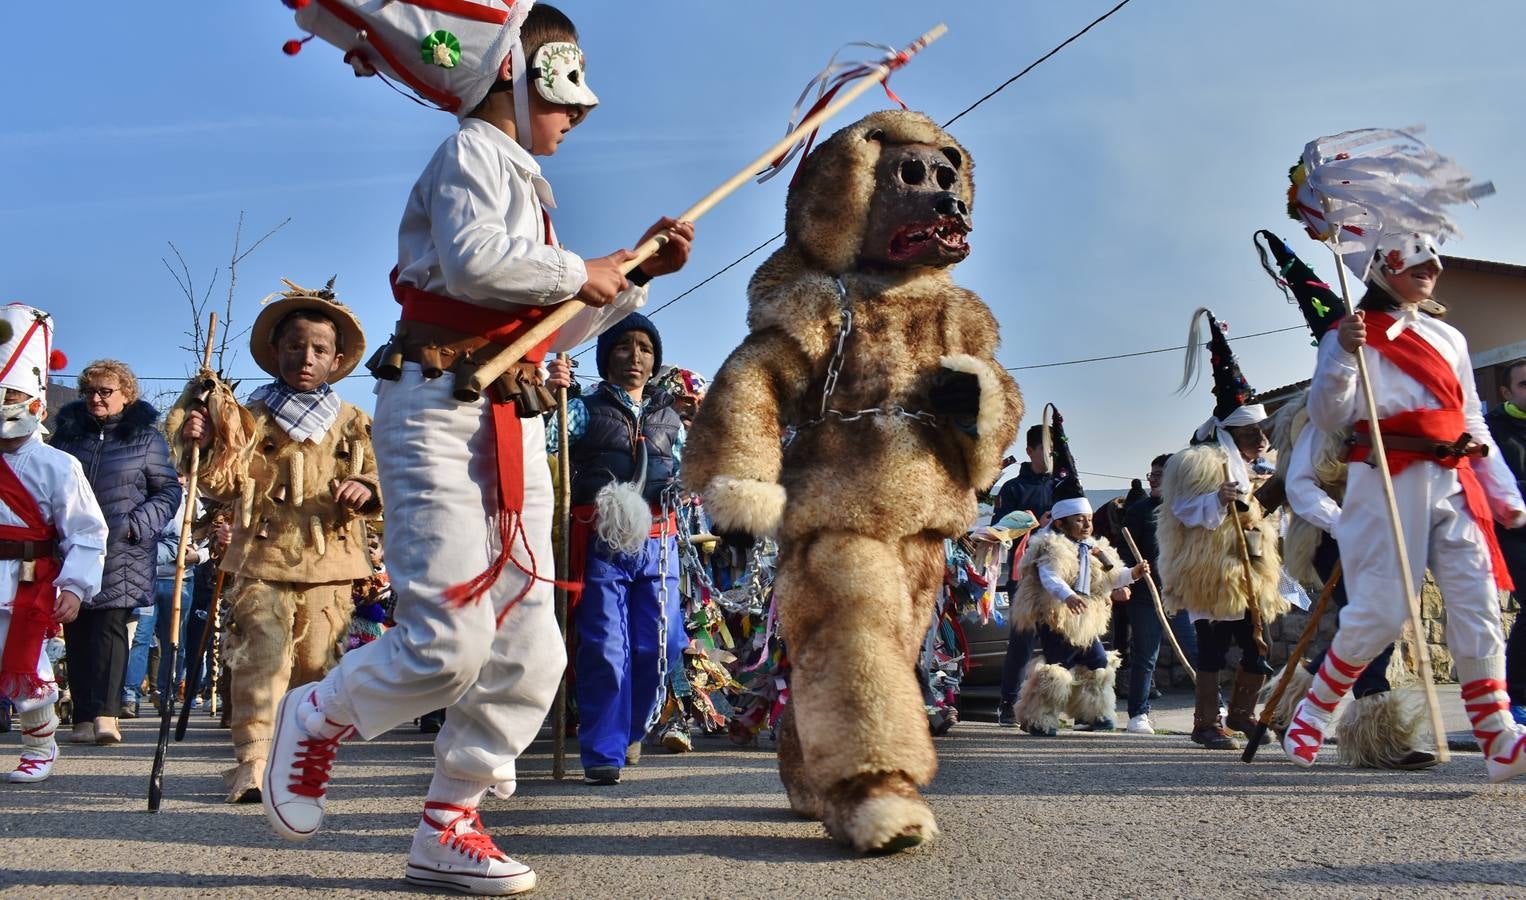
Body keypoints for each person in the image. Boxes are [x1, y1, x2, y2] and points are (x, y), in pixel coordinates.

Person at [260, 3, 695, 893]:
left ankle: (449, 819)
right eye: (567, 91)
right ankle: (317, 714)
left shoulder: (524, 182)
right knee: (447, 642)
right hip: (436, 413)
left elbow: (547, 332)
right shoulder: (471, 155)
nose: (581, 113)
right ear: (515, 74)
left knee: (534, 644)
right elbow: (469, 264)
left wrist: (632, 277)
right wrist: (584, 269)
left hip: (513, 419)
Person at [1288, 233, 1526, 782]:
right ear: (1379, 264)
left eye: (1436, 255)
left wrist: (1503, 491)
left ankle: (1497, 737)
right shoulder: (1350, 335)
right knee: (1382, 613)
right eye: (1417, 254)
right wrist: (1345, 356)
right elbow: (1328, 417)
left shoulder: (1450, 337)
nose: (1433, 265)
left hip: (1454, 478)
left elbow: (1471, 420)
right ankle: (1315, 710)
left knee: (1477, 600)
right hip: (1386, 481)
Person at [180, 280, 381, 804]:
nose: (306, 358)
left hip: (330, 563)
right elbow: (221, 483)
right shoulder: (248, 418)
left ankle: (297, 759)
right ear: (275, 352)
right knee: (261, 659)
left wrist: (367, 488)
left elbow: (386, 475)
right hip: (262, 557)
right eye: (294, 346)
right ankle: (252, 760)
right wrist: (200, 438)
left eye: (319, 349)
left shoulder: (355, 423)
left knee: (317, 664)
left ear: (337, 359)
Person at [547, 314, 688, 784]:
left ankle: (631, 730)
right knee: (606, 647)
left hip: (661, 543)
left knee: (661, 644)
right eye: (624, 346)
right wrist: (554, 395)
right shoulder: (582, 406)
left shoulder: (671, 418)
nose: (635, 356)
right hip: (602, 542)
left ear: (655, 359)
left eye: (645, 347)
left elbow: (689, 474)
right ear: (607, 356)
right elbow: (546, 439)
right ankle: (603, 750)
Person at [1158, 308, 1288, 751]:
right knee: (1213, 649)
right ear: (1234, 431)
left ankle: (1242, 715)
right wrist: (1218, 499)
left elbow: (1261, 515)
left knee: (1259, 643)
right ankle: (1205, 723)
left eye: (1262, 432)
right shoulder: (1201, 463)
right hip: (1211, 573)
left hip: (1248, 571)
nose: (1262, 441)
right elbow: (1181, 509)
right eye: (1255, 433)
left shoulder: (1255, 470)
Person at [0, 304, 107, 783]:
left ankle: (40, 747)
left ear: (36, 401)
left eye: (12, 393)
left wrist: (75, 586)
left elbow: (86, 530)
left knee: (28, 667)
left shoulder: (58, 465)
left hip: (24, 581)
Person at [51, 359, 181, 746]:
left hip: (122, 551)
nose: (96, 398)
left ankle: (106, 714)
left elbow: (168, 490)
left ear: (127, 395)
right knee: (76, 631)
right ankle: (84, 716)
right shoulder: (67, 437)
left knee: (109, 631)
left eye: (105, 391)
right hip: (73, 548)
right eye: (90, 391)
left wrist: (138, 524)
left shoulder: (145, 439)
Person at [1010, 428, 1146, 736]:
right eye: (1079, 520)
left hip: (1086, 619)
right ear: (1061, 522)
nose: (1086, 524)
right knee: (1058, 669)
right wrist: (1068, 596)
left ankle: (1095, 715)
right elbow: (1049, 578)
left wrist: (1133, 574)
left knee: (1098, 664)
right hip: (1058, 617)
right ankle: (1037, 717)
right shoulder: (1050, 546)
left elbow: (1111, 579)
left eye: (1088, 520)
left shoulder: (1096, 548)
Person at [992, 424, 1058, 726]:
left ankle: (1054, 704)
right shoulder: (1013, 489)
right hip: (1025, 576)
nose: (1050, 455)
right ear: (1030, 451)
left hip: (1059, 575)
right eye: (1043, 449)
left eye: (1053, 449)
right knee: (1022, 641)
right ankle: (1008, 703)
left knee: (1060, 643)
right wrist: (1035, 525)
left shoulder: (1063, 485)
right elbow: (998, 532)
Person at [1116, 453, 1175, 735]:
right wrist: (1127, 577)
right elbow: (1125, 552)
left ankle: (1213, 709)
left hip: (1182, 594)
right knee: (1145, 655)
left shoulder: (1186, 509)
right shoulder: (1139, 511)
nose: (1152, 479)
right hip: (1146, 595)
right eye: (1151, 474)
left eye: (1159, 475)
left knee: (1196, 649)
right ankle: (1138, 714)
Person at [1484, 358, 1526, 726]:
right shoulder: (1492, 430)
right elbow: (1497, 484)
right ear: (1506, 392)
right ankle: (1517, 697)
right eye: (1525, 384)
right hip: (1513, 533)